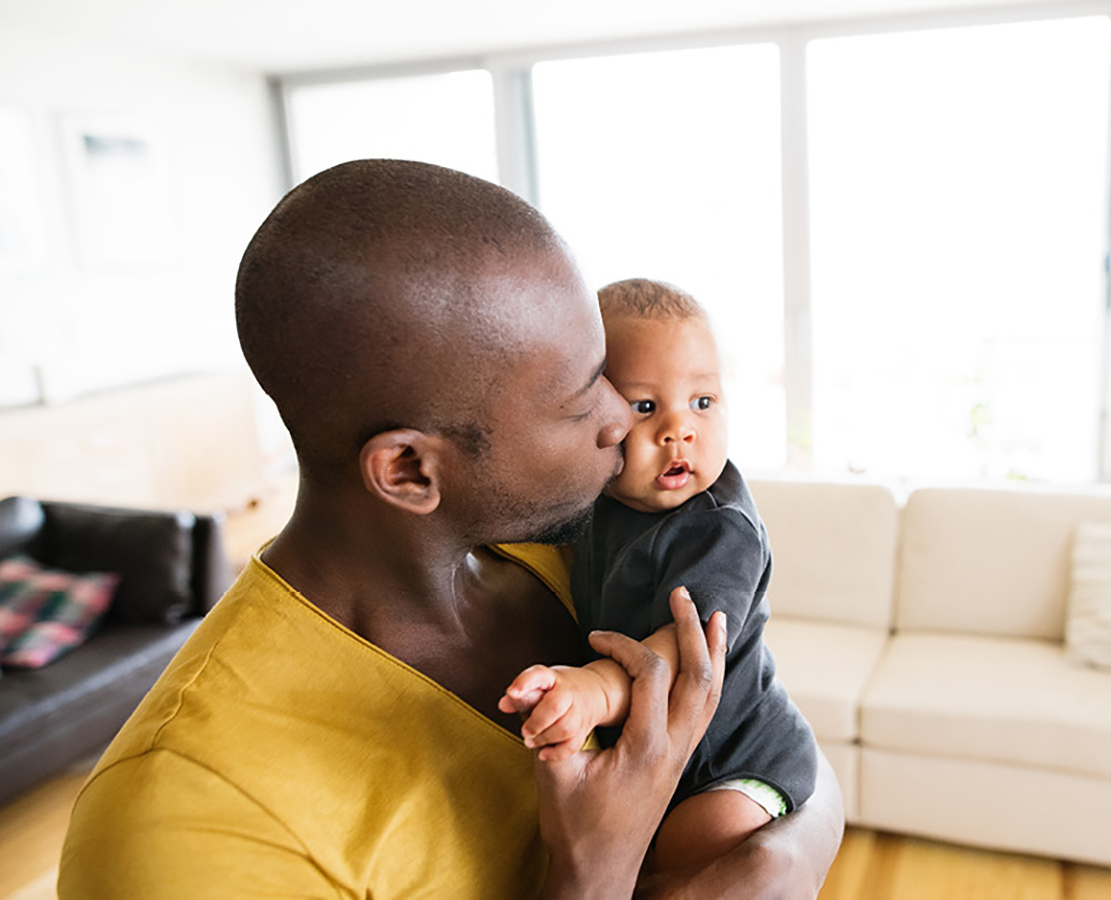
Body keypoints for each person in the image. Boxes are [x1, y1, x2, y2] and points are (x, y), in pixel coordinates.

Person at [57, 159, 843, 899]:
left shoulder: (564, 542)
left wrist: (778, 862)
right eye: (582, 401)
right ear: (408, 470)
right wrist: (593, 875)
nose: (622, 423)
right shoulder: (183, 825)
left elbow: (770, 726)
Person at [501, 279, 817, 874]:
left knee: (692, 844)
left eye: (703, 402)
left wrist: (595, 689)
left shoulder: (718, 529)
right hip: (656, 751)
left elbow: (687, 651)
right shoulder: (603, 497)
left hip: (737, 756)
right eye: (645, 407)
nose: (680, 430)